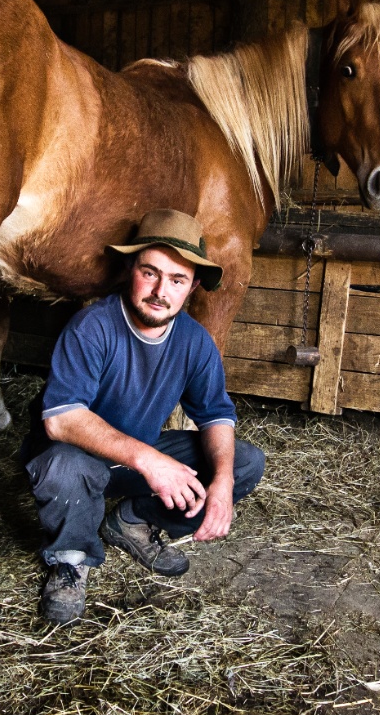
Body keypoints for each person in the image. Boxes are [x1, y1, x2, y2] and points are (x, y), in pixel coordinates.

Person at [23, 209, 266, 622]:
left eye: (176, 280)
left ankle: (132, 521)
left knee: (243, 462)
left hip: (136, 458)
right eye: (150, 272)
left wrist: (222, 481)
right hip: (76, 459)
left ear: (190, 289)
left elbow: (216, 415)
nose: (160, 291)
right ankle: (70, 560)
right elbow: (60, 419)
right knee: (62, 467)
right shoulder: (92, 327)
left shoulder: (194, 341)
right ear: (129, 269)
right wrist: (151, 461)